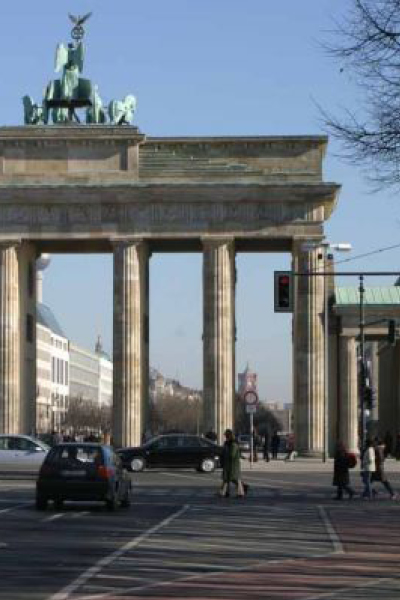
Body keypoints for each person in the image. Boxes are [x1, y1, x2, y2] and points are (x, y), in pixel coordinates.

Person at [219, 429, 248, 498]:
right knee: (226, 479)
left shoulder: (233, 443)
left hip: (233, 464)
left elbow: (232, 454)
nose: (225, 436)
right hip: (228, 463)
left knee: (234, 478)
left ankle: (240, 492)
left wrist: (225, 455)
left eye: (226, 435)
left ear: (228, 435)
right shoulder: (227, 443)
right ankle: (224, 492)